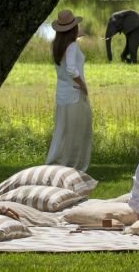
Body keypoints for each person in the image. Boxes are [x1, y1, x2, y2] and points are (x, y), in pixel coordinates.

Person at [45, 10, 93, 171]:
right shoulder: (71, 46)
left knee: (62, 129)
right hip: (74, 91)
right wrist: (83, 86)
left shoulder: (57, 44)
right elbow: (72, 70)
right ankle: (73, 164)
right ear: (73, 28)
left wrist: (74, 36)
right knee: (77, 130)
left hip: (62, 92)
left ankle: (57, 161)